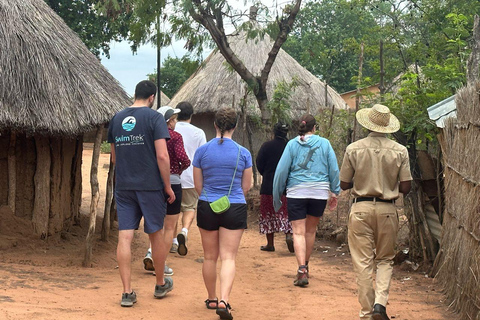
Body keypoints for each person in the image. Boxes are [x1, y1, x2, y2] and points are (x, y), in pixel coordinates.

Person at [339, 104, 412, 320]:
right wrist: (387, 186)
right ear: (388, 125)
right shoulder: (400, 150)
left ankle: (367, 311)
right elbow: (406, 187)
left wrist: (362, 181)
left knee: (362, 261)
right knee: (385, 259)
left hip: (360, 208)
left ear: (367, 123)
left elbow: (344, 184)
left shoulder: (354, 148)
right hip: (388, 210)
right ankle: (380, 303)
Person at [107, 80, 175, 307]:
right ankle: (159, 283)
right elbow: (163, 156)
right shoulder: (155, 118)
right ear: (152, 97)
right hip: (151, 186)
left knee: (125, 237)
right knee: (155, 233)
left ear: (135, 94)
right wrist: (167, 186)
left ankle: (127, 292)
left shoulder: (117, 119)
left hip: (124, 186)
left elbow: (114, 158)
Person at [193, 108, 252, 320]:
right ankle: (224, 301)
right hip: (234, 206)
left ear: (215, 125)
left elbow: (198, 186)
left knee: (210, 257)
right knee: (228, 257)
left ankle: (211, 297)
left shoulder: (202, 152)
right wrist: (231, 197)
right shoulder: (243, 153)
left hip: (207, 205)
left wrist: (211, 198)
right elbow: (247, 186)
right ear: (235, 126)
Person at [273, 114, 340, 287]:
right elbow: (333, 168)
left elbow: (281, 171)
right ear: (315, 128)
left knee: (298, 232)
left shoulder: (292, 144)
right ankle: (306, 267)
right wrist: (335, 192)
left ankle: (301, 268)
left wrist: (277, 192)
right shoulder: (325, 144)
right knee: (310, 231)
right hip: (319, 192)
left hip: (297, 191)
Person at [143, 106, 191, 276]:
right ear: (169, 121)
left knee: (155, 224)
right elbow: (184, 159)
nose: (175, 122)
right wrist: (178, 170)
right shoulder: (175, 137)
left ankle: (150, 252)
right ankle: (160, 264)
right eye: (174, 119)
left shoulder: (150, 137)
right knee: (169, 226)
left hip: (152, 183)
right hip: (173, 182)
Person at [171, 101, 207, 256]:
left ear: (177, 115)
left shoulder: (171, 129)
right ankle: (184, 231)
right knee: (190, 207)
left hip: (172, 176)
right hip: (192, 177)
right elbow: (203, 156)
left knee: (172, 212)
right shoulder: (199, 132)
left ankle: (173, 241)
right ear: (191, 116)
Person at [256, 122, 293, 252]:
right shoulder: (290, 146)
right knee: (286, 213)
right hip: (286, 186)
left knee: (268, 214)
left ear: (273, 132)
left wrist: (266, 174)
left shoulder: (267, 146)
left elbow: (259, 163)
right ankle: (289, 235)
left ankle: (270, 244)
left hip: (268, 185)